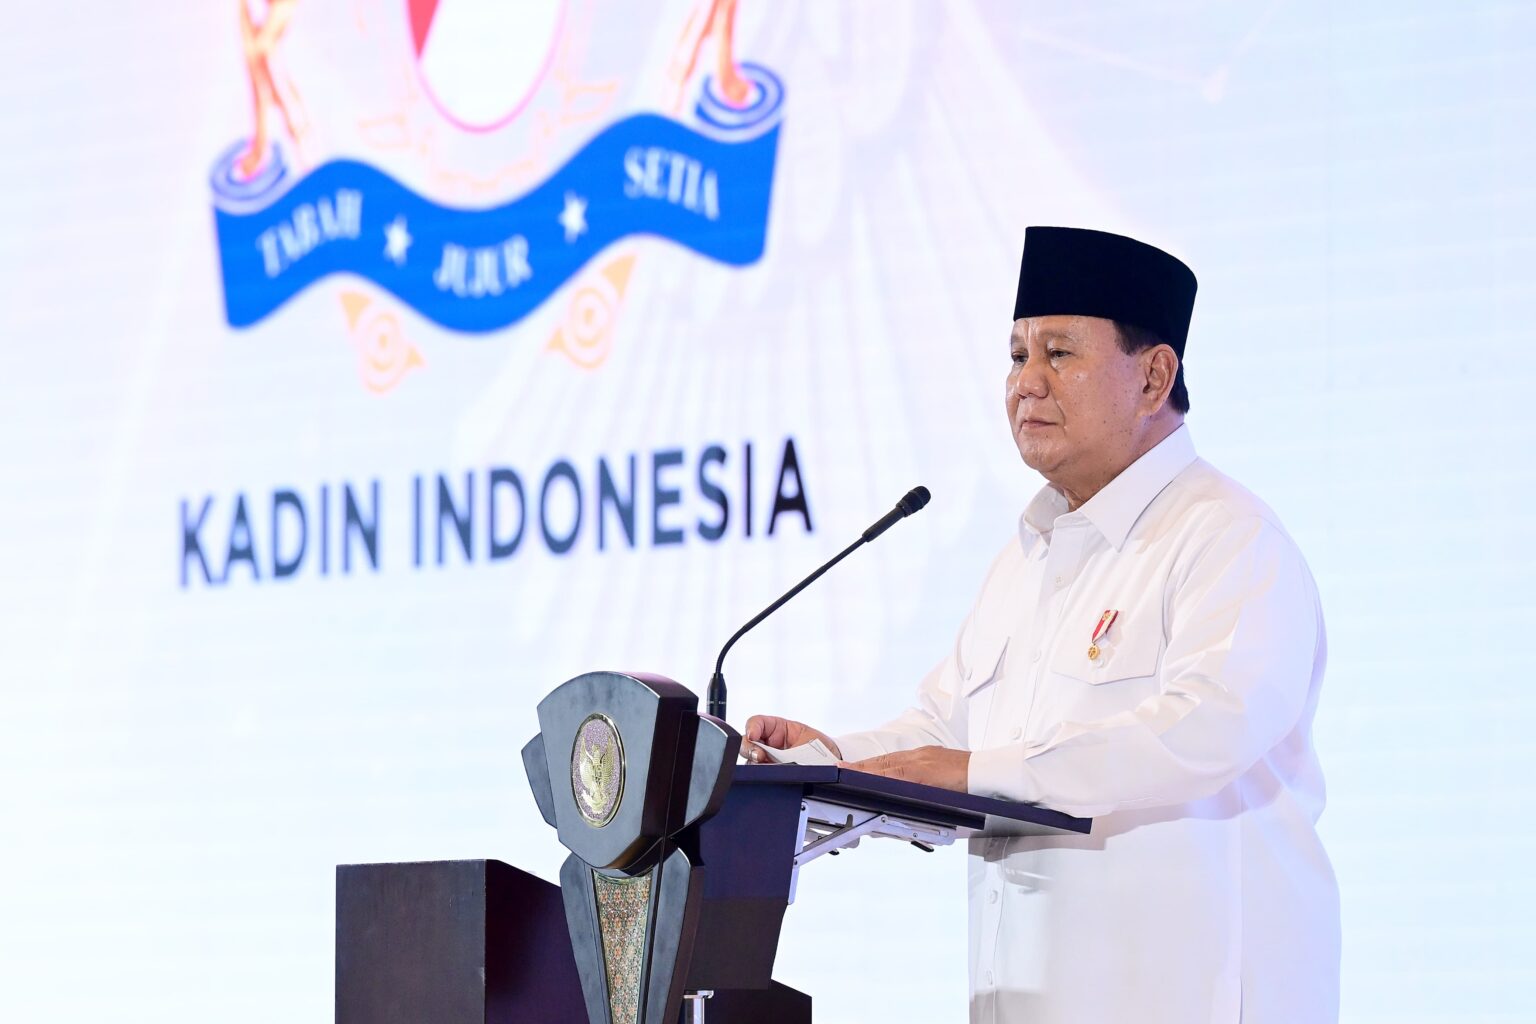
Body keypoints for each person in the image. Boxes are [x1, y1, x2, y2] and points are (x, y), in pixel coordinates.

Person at [743, 227, 1340, 1023]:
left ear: (1154, 376)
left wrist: (979, 771)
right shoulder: (1025, 559)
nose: (1026, 384)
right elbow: (942, 733)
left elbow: (1202, 732)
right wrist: (825, 763)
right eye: (1016, 356)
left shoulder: (1227, 538)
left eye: (1059, 354)